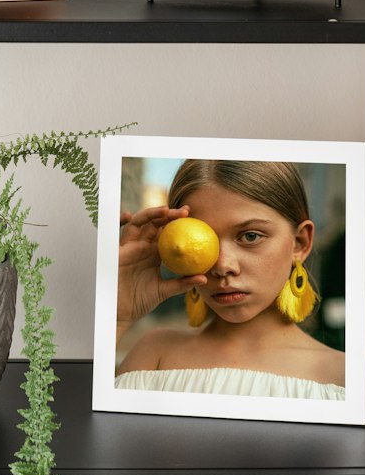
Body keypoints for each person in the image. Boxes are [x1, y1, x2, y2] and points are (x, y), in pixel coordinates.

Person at [115, 159, 345, 399]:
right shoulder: (153, 354)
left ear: (300, 243)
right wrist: (119, 316)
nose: (223, 266)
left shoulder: (343, 378)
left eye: (251, 236)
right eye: (206, 241)